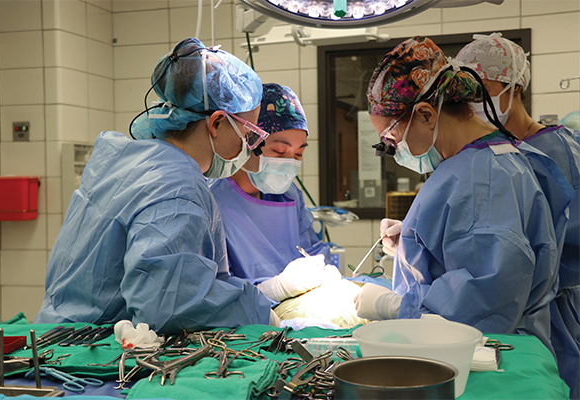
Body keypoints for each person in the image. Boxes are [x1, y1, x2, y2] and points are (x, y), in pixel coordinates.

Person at [353, 36, 573, 375]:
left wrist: (394, 306)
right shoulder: (484, 160)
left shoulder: (483, 177)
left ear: (426, 114)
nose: (395, 151)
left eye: (391, 139)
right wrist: (415, 239)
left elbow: (483, 302)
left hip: (485, 363)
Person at [35, 38, 278, 332]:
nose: (248, 148)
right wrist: (258, 311)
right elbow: (169, 306)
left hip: (56, 333)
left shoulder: (128, 161)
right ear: (216, 123)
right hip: (95, 350)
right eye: (248, 135)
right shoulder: (176, 189)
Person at [456, 33, 580, 399]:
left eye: (482, 88)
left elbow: (557, 243)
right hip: (514, 308)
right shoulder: (496, 151)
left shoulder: (556, 149)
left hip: (555, 310)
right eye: (466, 91)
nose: (474, 100)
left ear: (515, 87)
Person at [210, 83, 336, 303]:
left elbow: (313, 250)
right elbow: (213, 290)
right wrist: (274, 289)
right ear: (247, 142)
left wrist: (324, 270)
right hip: (244, 316)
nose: (289, 163)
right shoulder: (212, 200)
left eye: (298, 154)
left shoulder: (290, 195)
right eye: (279, 151)